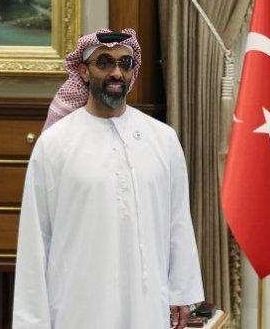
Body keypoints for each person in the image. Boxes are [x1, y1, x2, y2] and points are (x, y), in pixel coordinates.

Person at [13, 28, 204, 329]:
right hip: (78, 307)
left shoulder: (163, 140)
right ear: (84, 71)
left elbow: (178, 221)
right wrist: (32, 322)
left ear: (133, 71)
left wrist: (182, 292)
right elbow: (36, 239)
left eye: (124, 64)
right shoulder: (55, 144)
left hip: (147, 306)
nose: (116, 72)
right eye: (104, 62)